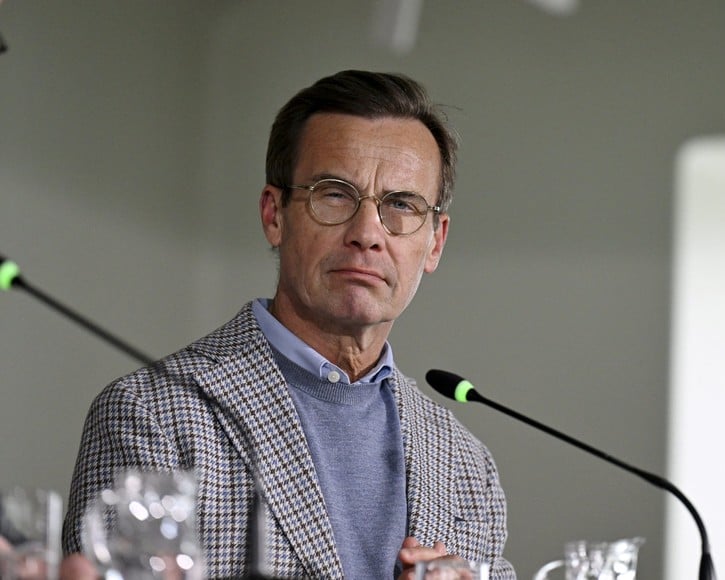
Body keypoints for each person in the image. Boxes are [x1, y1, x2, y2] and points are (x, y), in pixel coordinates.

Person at [61, 70, 514, 579]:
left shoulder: (466, 466)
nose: (367, 233)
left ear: (434, 242)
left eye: (401, 205)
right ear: (275, 214)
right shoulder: (151, 413)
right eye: (335, 194)